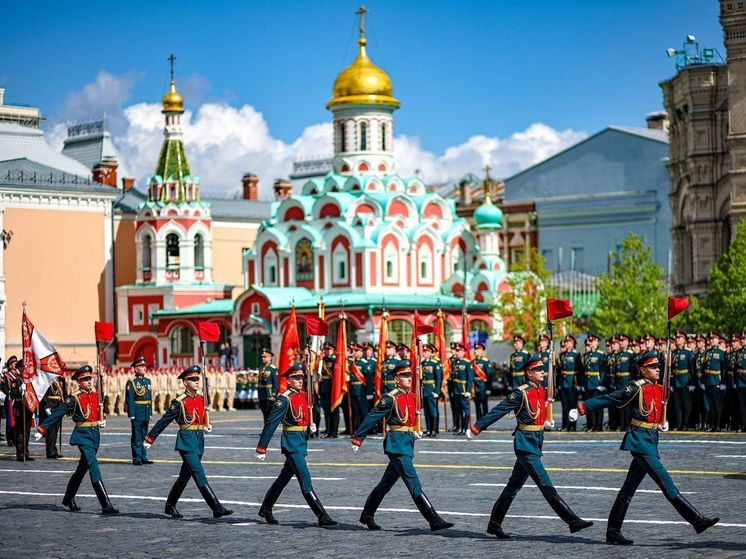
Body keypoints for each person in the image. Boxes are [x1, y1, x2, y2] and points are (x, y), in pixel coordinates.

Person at [571, 352, 719, 545]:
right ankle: (697, 520)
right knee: (666, 483)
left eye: (658, 366)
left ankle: (613, 531)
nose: (658, 369)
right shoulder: (635, 388)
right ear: (642, 370)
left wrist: (661, 423)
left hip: (650, 439)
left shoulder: (658, 387)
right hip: (640, 442)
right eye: (653, 367)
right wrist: (583, 407)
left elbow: (655, 411)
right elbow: (611, 398)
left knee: (628, 489)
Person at [468, 354, 593, 539]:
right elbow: (498, 410)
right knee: (545, 483)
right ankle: (572, 521)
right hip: (525, 445)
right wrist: (477, 427)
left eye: (543, 369)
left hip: (535, 442)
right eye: (538, 370)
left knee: (512, 487)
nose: (542, 372)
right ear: (528, 373)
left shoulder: (541, 390)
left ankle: (494, 524)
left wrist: (546, 421)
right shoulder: (520, 392)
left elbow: (539, 411)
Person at [352, 363, 453, 532]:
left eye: (410, 375)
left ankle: (367, 514)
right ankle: (433, 519)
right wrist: (358, 438)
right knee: (413, 481)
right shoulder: (390, 398)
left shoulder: (413, 396)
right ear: (396, 379)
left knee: (385, 485)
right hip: (396, 445)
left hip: (407, 442)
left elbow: (411, 419)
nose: (409, 378)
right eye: (405, 375)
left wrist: (415, 431)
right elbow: (372, 417)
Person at [144, 365, 233, 519]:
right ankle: (216, 507)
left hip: (199, 440)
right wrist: (150, 438)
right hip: (186, 441)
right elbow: (164, 420)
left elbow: (202, 416)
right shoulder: (179, 402)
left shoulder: (201, 399)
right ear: (185, 382)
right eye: (192, 379)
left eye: (197, 378)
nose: (196, 381)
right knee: (199, 473)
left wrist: (206, 425)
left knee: (184, 477)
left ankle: (170, 506)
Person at [256, 364, 336, 527]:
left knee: (283, 478)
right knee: (305, 480)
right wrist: (261, 447)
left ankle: (266, 508)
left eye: (301, 378)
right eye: (296, 378)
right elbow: (271, 423)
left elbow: (305, 417)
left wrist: (310, 428)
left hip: (301, 441)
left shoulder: (304, 396)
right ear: (289, 380)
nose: (300, 381)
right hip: (291, 444)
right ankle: (321, 515)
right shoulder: (283, 399)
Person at [35, 365, 119, 515]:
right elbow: (58, 413)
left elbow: (97, 411)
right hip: (83, 437)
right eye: (85, 379)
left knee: (82, 469)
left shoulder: (94, 395)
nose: (89, 381)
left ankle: (68, 498)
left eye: (89, 378)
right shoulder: (74, 398)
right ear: (78, 382)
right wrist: (43, 428)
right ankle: (105, 504)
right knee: (93, 465)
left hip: (94, 435)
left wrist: (102, 419)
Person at [126, 356, 153, 465]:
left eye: (144, 366)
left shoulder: (147, 381)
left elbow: (149, 398)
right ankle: (137, 457)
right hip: (137, 411)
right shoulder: (131, 382)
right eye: (141, 366)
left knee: (144, 434)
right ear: (136, 368)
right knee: (137, 435)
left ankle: (143, 456)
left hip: (146, 410)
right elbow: (130, 399)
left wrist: (150, 412)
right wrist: (131, 413)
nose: (144, 368)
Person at [39, 376, 66, 459]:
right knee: (51, 430)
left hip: (59, 406)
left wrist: (65, 407)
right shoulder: (47, 378)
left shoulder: (61, 379)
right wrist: (46, 407)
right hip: (50, 405)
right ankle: (50, 451)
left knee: (55, 430)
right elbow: (43, 394)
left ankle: (54, 450)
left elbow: (64, 394)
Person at [557, 335, 580, 431]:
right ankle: (565, 424)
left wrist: (579, 384)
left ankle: (573, 425)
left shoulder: (576, 355)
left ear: (573, 343)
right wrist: (558, 384)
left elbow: (580, 370)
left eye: (568, 342)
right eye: (565, 342)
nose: (566, 344)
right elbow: (559, 371)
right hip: (564, 383)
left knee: (572, 406)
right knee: (564, 406)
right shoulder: (562, 355)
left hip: (572, 383)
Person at [421, 343, 442, 437]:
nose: (424, 353)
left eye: (426, 351)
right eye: (424, 351)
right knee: (426, 411)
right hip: (425, 390)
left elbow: (438, 378)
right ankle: (429, 429)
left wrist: (437, 391)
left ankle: (434, 430)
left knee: (433, 410)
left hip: (432, 389)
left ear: (431, 353)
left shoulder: (435, 363)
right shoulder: (423, 363)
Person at [452, 343, 473, 435]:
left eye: (459, 351)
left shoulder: (467, 363)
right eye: (456, 351)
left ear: (463, 352)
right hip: (456, 389)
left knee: (466, 409)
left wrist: (468, 390)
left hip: (464, 389)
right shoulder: (455, 362)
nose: (456, 353)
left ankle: (465, 428)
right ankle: (460, 428)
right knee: (458, 410)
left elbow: (470, 378)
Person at [473, 342, 493, 419]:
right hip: (475, 386)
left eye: (478, 349)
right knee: (477, 405)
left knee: (484, 404)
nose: (475, 351)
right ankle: (478, 422)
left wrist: (489, 388)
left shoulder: (485, 362)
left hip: (483, 386)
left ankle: (484, 422)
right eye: (475, 349)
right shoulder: (473, 362)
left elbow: (489, 375)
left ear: (482, 351)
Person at [257, 349, 278, 422]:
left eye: (265, 357)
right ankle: (266, 429)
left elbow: (275, 381)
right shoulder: (261, 368)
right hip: (262, 393)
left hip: (269, 393)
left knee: (269, 412)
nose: (263, 358)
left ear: (270, 358)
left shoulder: (272, 368)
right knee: (264, 412)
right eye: (262, 357)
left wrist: (274, 392)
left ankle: (268, 430)